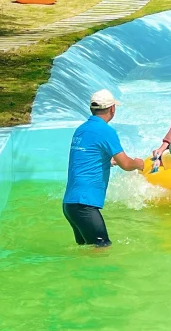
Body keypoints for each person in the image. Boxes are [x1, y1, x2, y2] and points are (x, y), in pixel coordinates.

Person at [62, 88, 147, 247]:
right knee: (102, 248)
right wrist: (140, 164)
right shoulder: (106, 131)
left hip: (69, 205)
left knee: (87, 250)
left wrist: (107, 162)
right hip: (85, 205)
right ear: (112, 109)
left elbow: (85, 160)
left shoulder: (80, 130)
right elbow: (127, 164)